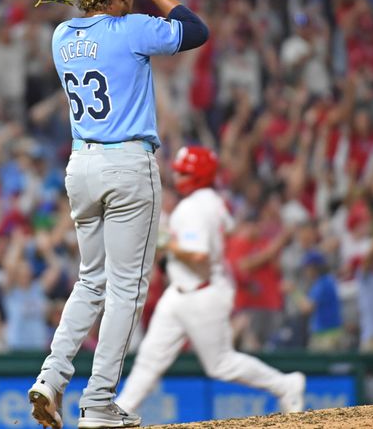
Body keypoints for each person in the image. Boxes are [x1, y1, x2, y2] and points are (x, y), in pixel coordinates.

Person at [28, 0, 209, 429]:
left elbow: (94, 20)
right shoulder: (130, 28)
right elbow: (195, 29)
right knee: (127, 290)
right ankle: (99, 402)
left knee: (92, 279)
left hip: (81, 166)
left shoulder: (61, 35)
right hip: (127, 164)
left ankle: (50, 378)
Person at [116, 146, 305, 416]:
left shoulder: (193, 207)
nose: (178, 177)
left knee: (221, 364)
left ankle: (286, 385)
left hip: (201, 294)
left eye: (184, 173)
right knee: (149, 359)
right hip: (182, 292)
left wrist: (167, 242)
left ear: (198, 176)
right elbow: (227, 228)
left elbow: (199, 255)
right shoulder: (213, 200)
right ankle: (121, 411)